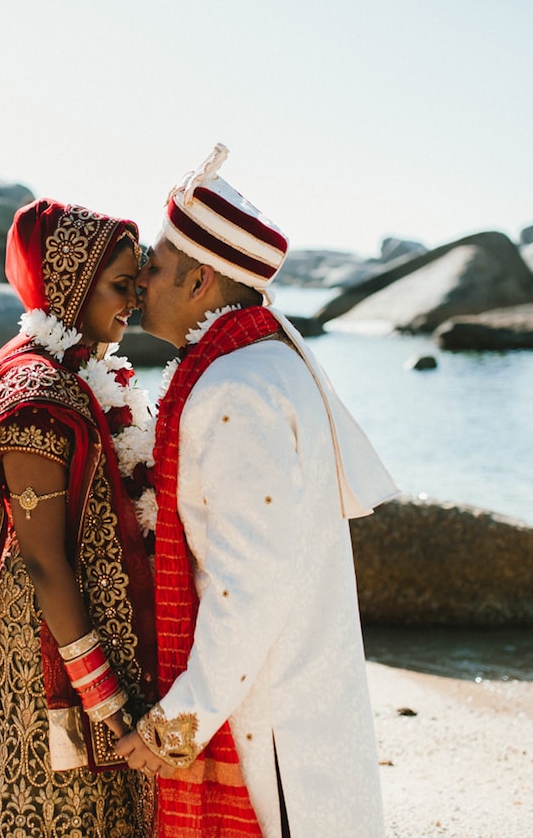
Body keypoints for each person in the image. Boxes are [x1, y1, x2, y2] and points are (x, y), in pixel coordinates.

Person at [113, 145, 399, 837]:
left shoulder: (237, 387)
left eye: (155, 267)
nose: (140, 281)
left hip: (271, 712)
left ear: (200, 281)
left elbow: (250, 582)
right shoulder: (262, 361)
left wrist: (178, 722)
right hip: (287, 685)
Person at [0, 198, 160, 837]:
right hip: (43, 635)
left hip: (70, 612)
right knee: (53, 801)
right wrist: (101, 693)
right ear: (71, 284)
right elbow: (42, 557)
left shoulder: (80, 373)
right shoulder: (36, 394)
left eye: (136, 284)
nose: (134, 300)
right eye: (120, 285)